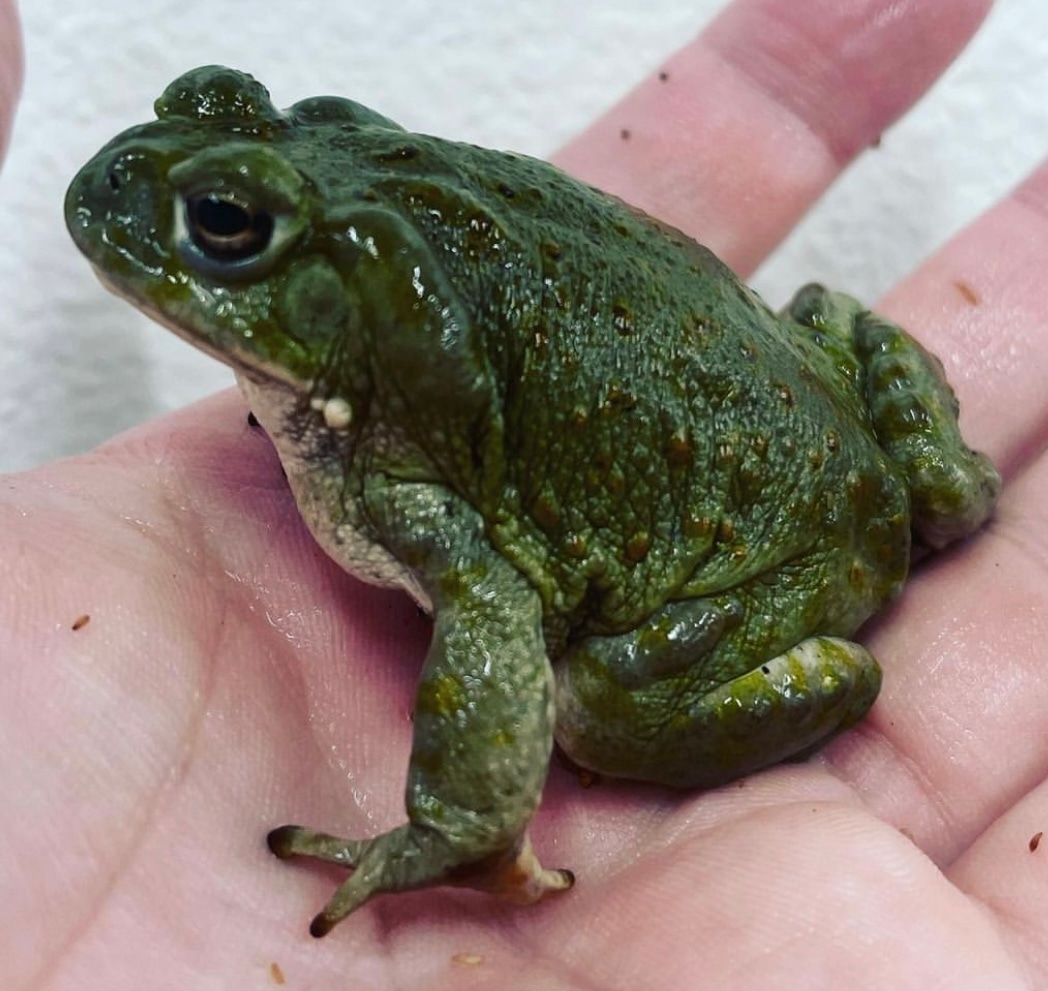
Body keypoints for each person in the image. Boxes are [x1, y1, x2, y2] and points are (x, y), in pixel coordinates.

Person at [2, 0, 1043, 986]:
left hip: (777, 565)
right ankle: (937, 483)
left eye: (222, 222)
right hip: (791, 385)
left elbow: (492, 601)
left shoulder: (399, 472)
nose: (131, 197)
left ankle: (915, 507)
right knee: (825, 320)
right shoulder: (387, 370)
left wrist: (459, 823)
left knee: (597, 707)